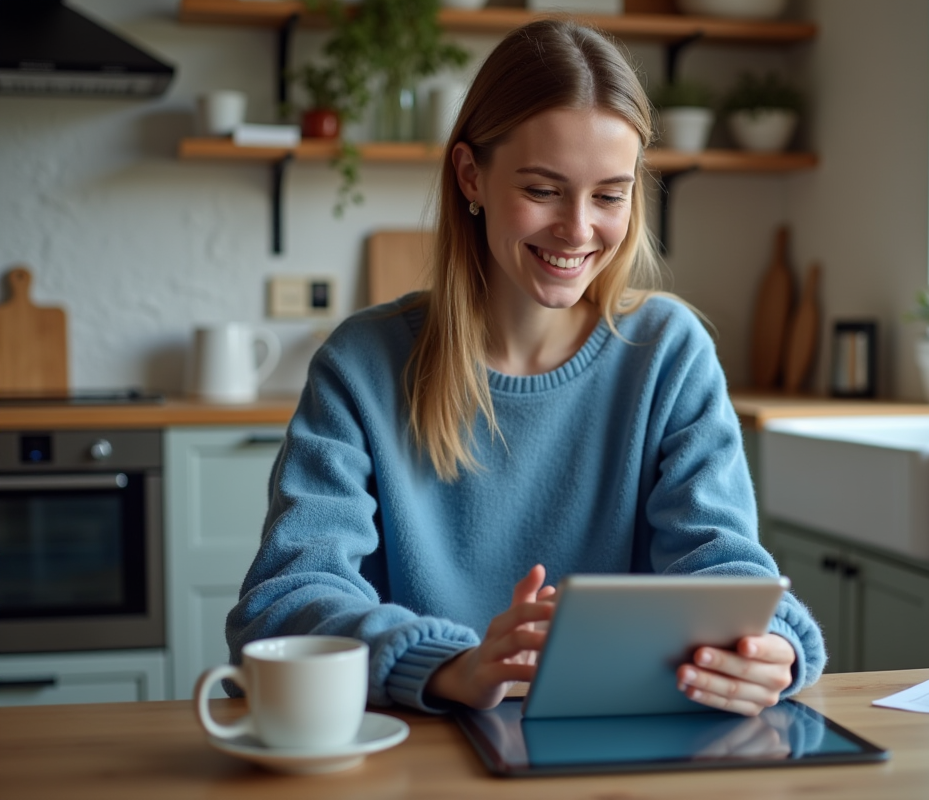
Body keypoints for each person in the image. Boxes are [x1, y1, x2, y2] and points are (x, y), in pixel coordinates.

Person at [226, 18, 826, 717]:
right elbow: (284, 602)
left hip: (623, 754)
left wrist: (767, 648)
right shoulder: (362, 364)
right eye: (543, 190)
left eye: (609, 194)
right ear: (471, 175)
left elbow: (725, 570)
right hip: (420, 756)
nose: (578, 229)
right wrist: (450, 664)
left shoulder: (669, 351)